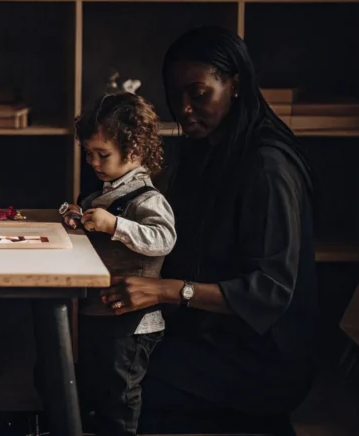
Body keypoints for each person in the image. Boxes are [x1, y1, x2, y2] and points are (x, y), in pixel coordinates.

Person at [98, 26, 320, 435]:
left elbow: (269, 291)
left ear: (234, 85)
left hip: (261, 359)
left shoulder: (267, 166)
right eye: (175, 95)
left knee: (107, 385)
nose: (183, 108)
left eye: (198, 94)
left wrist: (163, 290)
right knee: (86, 361)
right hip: (208, 335)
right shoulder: (208, 151)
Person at [59, 92, 176, 436]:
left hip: (132, 321)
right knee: (96, 383)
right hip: (101, 311)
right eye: (88, 154)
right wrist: (78, 216)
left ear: (135, 151)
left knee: (120, 393)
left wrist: (114, 225)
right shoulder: (104, 192)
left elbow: (163, 239)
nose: (93, 162)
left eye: (102, 155)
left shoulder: (148, 198)